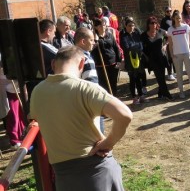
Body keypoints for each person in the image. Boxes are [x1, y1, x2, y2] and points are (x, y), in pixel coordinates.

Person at [29, 46, 132, 191]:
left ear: (53, 64)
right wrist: (108, 143)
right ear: (82, 63)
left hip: (63, 175)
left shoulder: (37, 92)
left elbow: (35, 118)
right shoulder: (86, 88)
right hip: (96, 169)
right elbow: (124, 114)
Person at [167, 10, 190, 98]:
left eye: (179, 18)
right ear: (173, 18)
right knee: (179, 74)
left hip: (186, 53)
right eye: (176, 18)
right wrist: (172, 54)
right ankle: (181, 92)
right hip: (177, 55)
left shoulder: (186, 27)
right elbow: (170, 44)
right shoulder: (170, 29)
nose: (178, 20)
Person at [141, 16, 173, 100]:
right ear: (148, 24)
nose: (154, 25)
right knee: (159, 76)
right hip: (152, 59)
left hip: (161, 57)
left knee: (162, 76)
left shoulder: (160, 31)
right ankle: (166, 93)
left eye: (155, 23)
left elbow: (170, 36)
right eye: (152, 23)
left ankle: (160, 93)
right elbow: (141, 48)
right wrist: (145, 56)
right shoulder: (144, 35)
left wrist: (165, 45)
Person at [91, 17, 122, 96]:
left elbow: (116, 48)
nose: (103, 27)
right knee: (103, 85)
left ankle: (114, 98)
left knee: (113, 83)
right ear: (96, 27)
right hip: (101, 65)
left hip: (112, 63)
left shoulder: (109, 35)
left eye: (104, 25)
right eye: (100, 26)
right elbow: (91, 50)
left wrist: (119, 60)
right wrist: (95, 41)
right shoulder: (93, 38)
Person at [120, 19, 148, 105]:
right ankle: (134, 97)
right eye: (129, 26)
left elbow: (140, 45)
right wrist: (135, 48)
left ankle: (141, 95)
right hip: (130, 60)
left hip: (138, 59)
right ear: (126, 26)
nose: (131, 27)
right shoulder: (124, 36)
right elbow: (126, 47)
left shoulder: (136, 34)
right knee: (132, 78)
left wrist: (135, 48)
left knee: (139, 77)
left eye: (132, 25)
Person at [0, 60, 25, 149]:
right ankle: (15, 140)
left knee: (21, 114)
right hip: (7, 87)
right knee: (13, 115)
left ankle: (22, 135)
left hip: (18, 86)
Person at [160, 7, 176, 81]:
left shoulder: (174, 19)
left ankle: (176, 72)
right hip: (167, 40)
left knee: (175, 56)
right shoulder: (164, 20)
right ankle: (170, 73)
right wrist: (165, 33)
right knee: (169, 57)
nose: (169, 12)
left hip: (175, 40)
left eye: (170, 11)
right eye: (167, 11)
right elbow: (161, 29)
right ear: (165, 12)